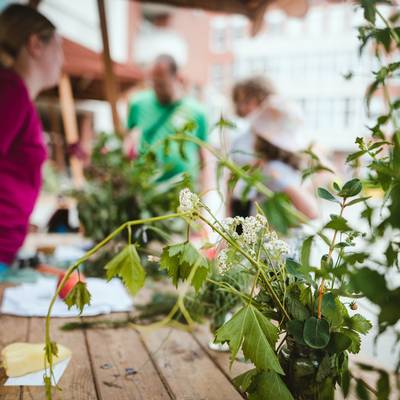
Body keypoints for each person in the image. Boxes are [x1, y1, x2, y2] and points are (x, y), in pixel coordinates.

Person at [0, 4, 63, 271]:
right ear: (35, 44)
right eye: (58, 49)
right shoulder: (10, 90)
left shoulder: (16, 93)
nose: (63, 60)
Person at [230, 77, 318, 220]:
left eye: (249, 101)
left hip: (276, 235)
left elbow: (311, 211)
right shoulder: (277, 166)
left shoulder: (275, 169)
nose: (244, 107)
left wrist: (270, 173)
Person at [126, 54, 211, 189]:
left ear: (176, 78)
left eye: (161, 84)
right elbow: (129, 139)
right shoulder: (137, 104)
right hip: (146, 189)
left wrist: (204, 198)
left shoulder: (197, 111)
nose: (156, 88)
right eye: (153, 82)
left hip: (183, 191)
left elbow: (205, 158)